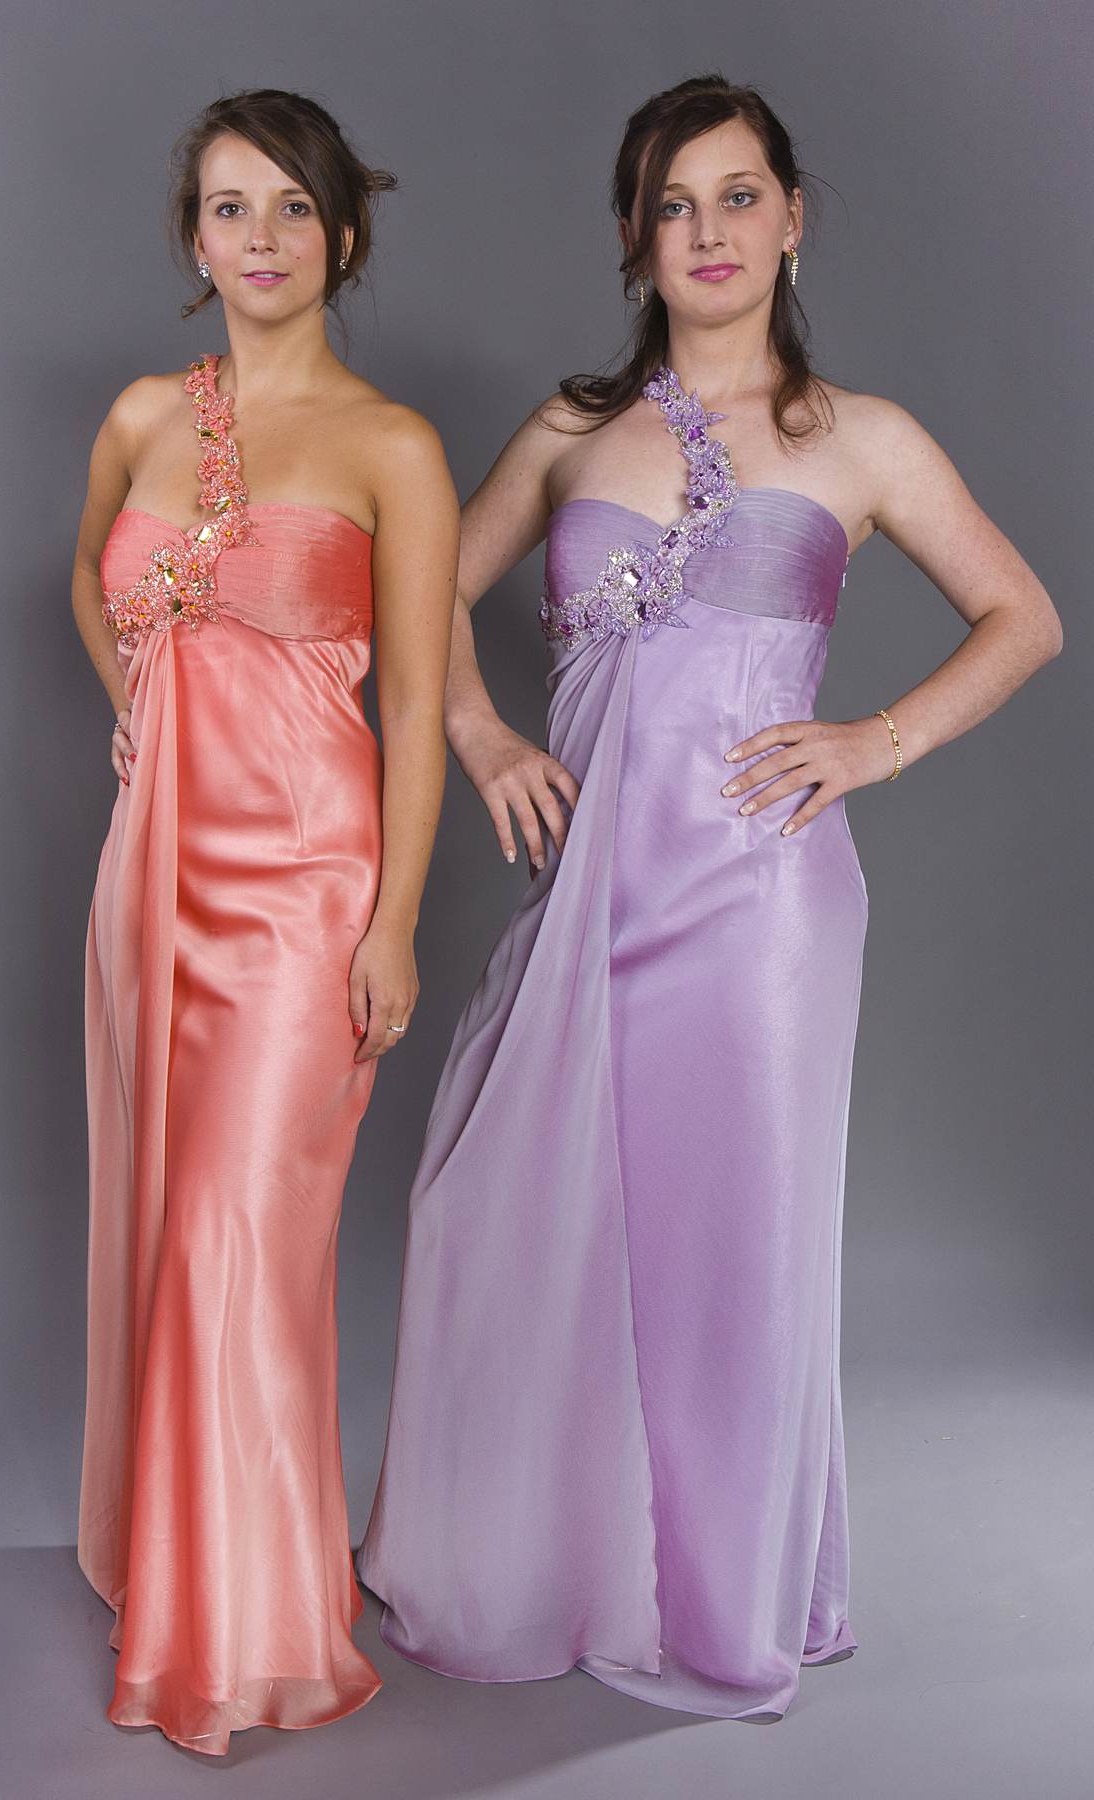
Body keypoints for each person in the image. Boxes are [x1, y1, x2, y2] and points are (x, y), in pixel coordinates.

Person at [357, 74, 1060, 1719]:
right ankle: (554, 1562)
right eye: (674, 205)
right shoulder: (566, 431)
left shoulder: (862, 438)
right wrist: (479, 732)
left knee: (724, 1250)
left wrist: (875, 742)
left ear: (793, 219)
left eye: (740, 197)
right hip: (587, 900)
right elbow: (418, 594)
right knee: (497, 1218)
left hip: (761, 907)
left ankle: (720, 1596)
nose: (710, 231)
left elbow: (1024, 617)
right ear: (633, 236)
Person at [71, 89, 457, 1754]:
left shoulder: (392, 447)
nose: (263, 237)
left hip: (307, 897)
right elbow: (91, 580)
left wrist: (394, 924)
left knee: (244, 1235)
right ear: (195, 238)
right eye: (231, 208)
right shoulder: (144, 414)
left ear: (343, 234)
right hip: (150, 884)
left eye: (294, 206)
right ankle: (182, 1570)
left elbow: (419, 703)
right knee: (170, 1224)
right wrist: (138, 709)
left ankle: (248, 1629)